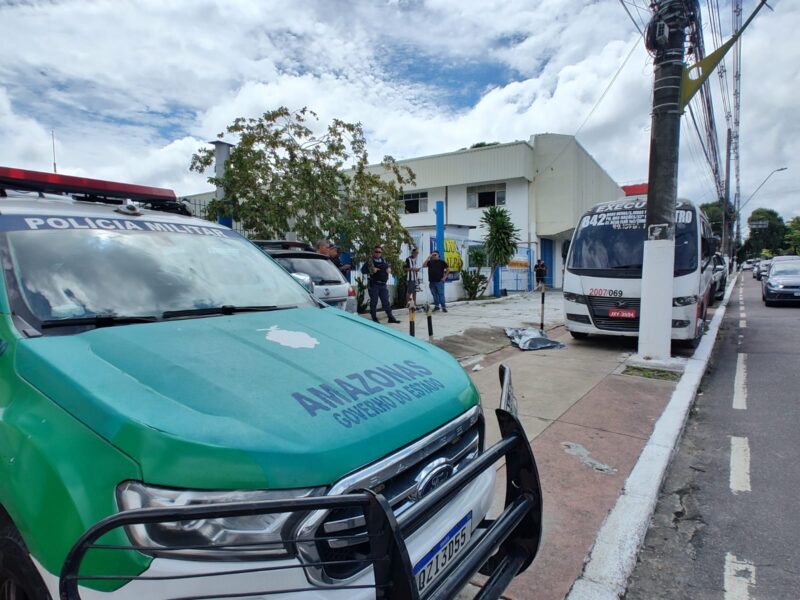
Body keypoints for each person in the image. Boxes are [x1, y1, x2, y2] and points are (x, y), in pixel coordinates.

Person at [361, 245, 400, 324]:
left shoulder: (383, 261)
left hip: (383, 285)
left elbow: (388, 267)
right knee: (374, 302)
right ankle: (374, 317)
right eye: (376, 252)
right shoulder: (370, 261)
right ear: (373, 252)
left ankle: (390, 317)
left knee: (386, 301)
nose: (378, 253)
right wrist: (372, 270)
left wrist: (389, 269)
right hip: (374, 284)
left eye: (379, 252)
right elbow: (363, 271)